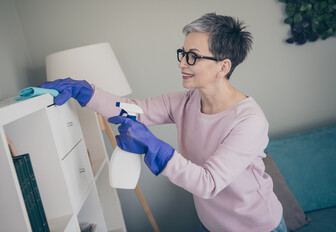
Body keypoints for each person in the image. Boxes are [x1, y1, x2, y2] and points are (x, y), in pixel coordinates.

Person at [40, 13, 286, 232]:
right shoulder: (184, 103)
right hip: (210, 224)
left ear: (223, 66)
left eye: (192, 57)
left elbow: (209, 184)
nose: (181, 63)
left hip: (256, 226)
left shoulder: (249, 121)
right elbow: (131, 110)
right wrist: (85, 91)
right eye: (183, 54)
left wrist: (155, 148)